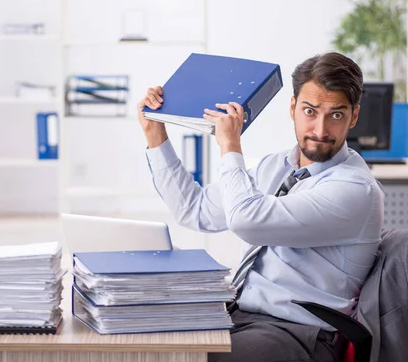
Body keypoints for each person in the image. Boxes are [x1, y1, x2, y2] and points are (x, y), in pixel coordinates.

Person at [137, 52, 384, 362]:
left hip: (300, 333)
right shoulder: (276, 166)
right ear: (293, 108)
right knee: (147, 343)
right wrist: (155, 135)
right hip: (240, 315)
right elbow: (195, 209)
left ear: (354, 117)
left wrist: (230, 145)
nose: (321, 130)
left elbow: (246, 222)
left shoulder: (354, 189)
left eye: (336, 115)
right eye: (310, 111)